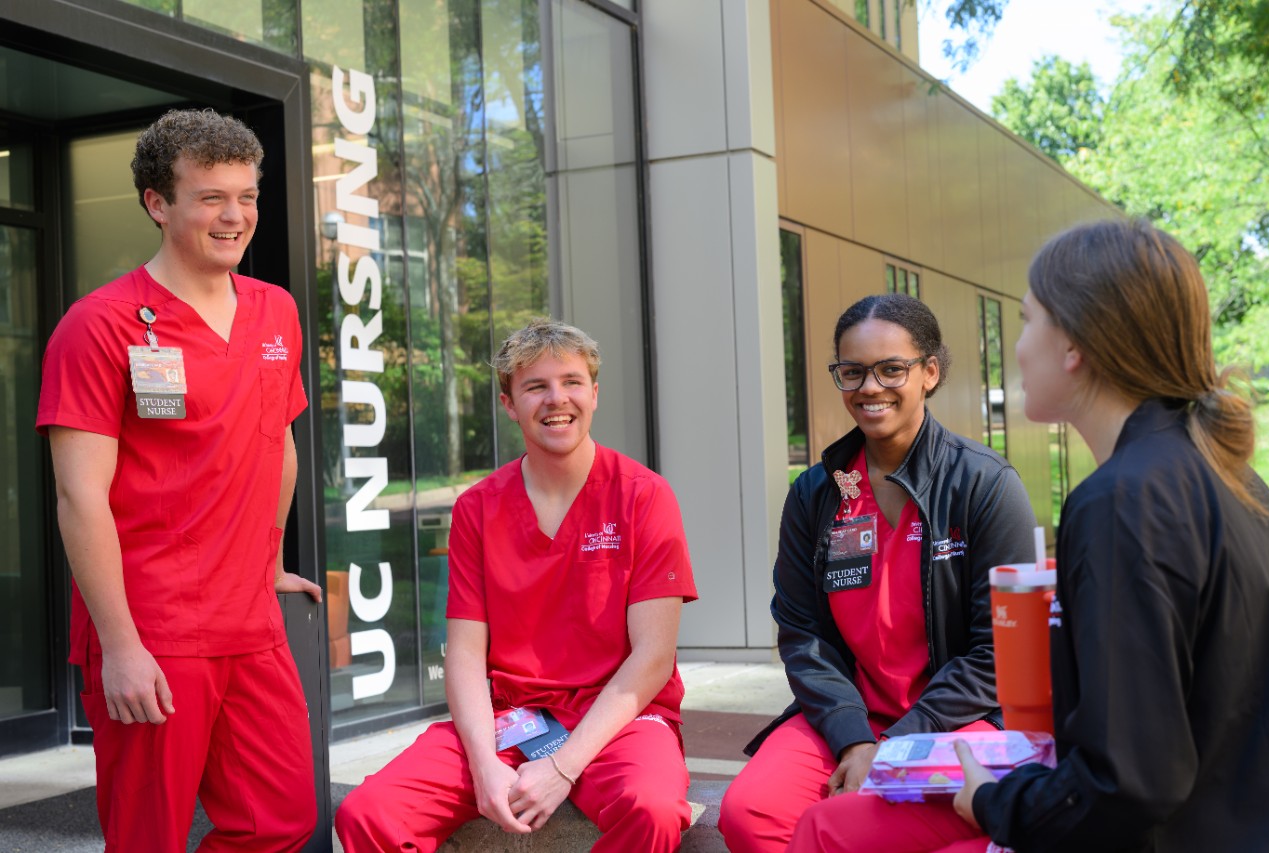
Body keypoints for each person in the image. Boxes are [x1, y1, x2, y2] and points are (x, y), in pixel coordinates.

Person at [36, 108, 321, 852]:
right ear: (157, 203)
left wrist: (271, 562)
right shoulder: (100, 326)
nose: (235, 217)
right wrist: (121, 642)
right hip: (153, 628)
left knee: (281, 819)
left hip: (250, 625)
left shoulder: (276, 312)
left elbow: (277, 446)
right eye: (211, 197)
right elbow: (79, 496)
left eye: (247, 197)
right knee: (147, 836)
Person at [953, 219, 1269, 851]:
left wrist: (993, 801)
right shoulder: (1235, 477)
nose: (1017, 347)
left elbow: (1129, 779)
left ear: (1072, 343)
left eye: (1025, 320)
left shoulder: (1119, 503)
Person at [335, 318, 699, 852]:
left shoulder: (644, 496)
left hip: (621, 719)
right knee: (370, 813)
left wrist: (563, 766)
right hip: (514, 717)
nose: (558, 399)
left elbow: (652, 658)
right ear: (509, 403)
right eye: (536, 386)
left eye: (572, 382)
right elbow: (463, 656)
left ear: (594, 393)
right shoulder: (478, 508)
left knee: (654, 809)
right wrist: (484, 767)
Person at [719, 293, 1037, 853]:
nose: (870, 387)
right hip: (843, 716)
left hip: (954, 719)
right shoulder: (817, 494)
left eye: (892, 369)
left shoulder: (984, 486)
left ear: (930, 372)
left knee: (860, 826)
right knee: (751, 815)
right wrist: (852, 740)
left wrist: (896, 743)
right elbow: (802, 635)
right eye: (853, 371)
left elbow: (1001, 654)